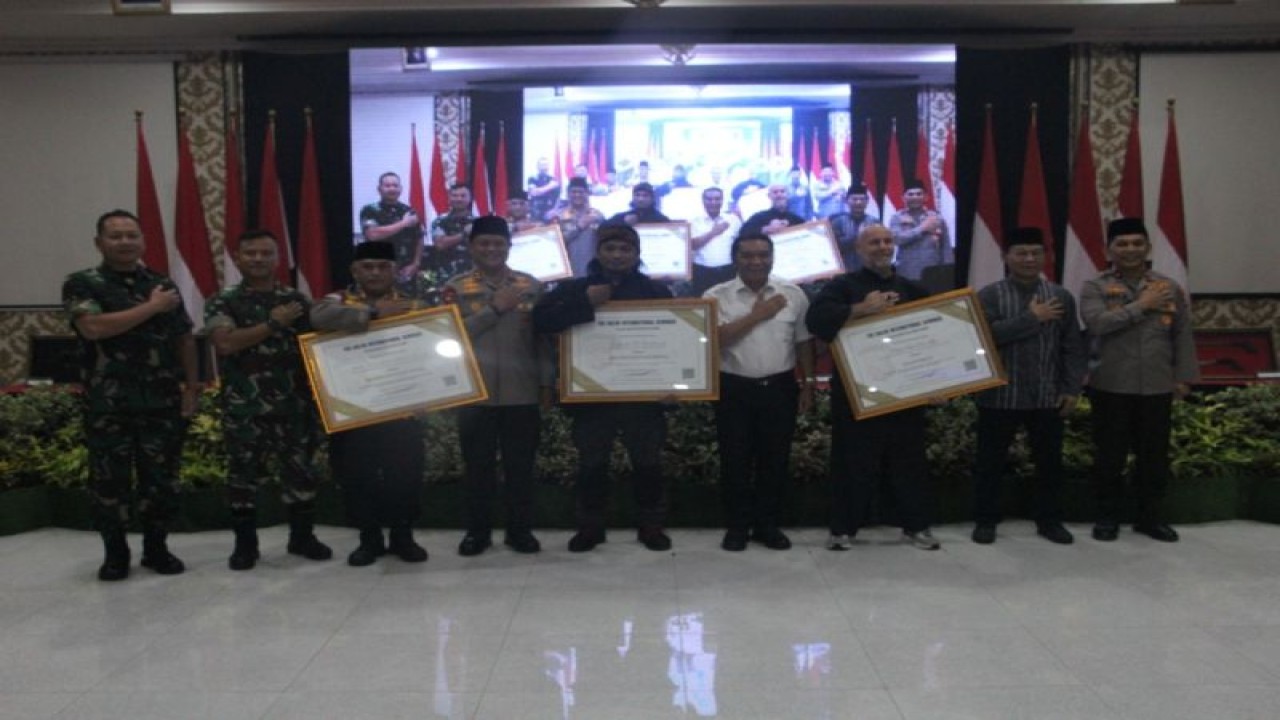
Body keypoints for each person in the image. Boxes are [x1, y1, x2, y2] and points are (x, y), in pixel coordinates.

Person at [63, 209, 200, 581]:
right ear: (99, 243)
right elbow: (92, 327)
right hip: (109, 403)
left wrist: (192, 386)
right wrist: (151, 307)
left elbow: (184, 338)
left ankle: (157, 548)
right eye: (115, 236)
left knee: (162, 479)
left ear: (143, 241)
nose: (125, 242)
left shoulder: (162, 283)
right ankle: (116, 553)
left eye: (131, 235)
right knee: (110, 481)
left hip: (161, 400)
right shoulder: (83, 283)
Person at [533, 223, 675, 553]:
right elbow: (541, 320)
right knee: (592, 465)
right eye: (610, 248)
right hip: (592, 396)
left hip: (644, 398)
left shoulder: (656, 291)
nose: (617, 255)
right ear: (598, 252)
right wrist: (585, 303)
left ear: (637, 254)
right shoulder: (576, 288)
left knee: (648, 464)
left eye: (625, 249)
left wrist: (673, 388)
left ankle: (651, 526)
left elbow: (673, 341)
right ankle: (590, 527)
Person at [805, 225, 941, 551]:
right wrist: (860, 309)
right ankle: (842, 529)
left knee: (909, 461)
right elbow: (816, 321)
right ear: (859, 249)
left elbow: (935, 338)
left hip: (906, 390)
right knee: (852, 461)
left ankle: (916, 526)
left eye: (887, 241)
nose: (882, 247)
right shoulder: (841, 287)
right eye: (874, 242)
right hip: (856, 391)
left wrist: (937, 382)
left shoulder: (913, 289)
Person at [205, 229, 332, 570]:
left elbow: (318, 345)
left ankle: (302, 538)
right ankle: (246, 546)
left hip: (294, 406)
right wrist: (273, 324)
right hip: (245, 409)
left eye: (266, 253)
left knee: (300, 473)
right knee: (243, 478)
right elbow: (225, 343)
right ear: (237, 258)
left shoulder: (296, 300)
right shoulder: (223, 301)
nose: (258, 259)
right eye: (251, 253)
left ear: (278, 258)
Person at [311, 241, 431, 565]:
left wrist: (430, 390)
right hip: (355, 408)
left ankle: (403, 537)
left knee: (404, 475)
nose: (375, 273)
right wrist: (374, 314)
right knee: (357, 476)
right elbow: (317, 317)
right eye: (367, 266)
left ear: (395, 270)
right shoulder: (338, 301)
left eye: (383, 266)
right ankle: (369, 539)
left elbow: (430, 349)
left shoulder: (413, 304)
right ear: (354, 270)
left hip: (401, 406)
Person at [1080, 217, 1198, 543]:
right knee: (1110, 456)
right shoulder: (1095, 287)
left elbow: (1182, 335)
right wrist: (1142, 306)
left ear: (1148, 248)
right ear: (1109, 250)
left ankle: (1150, 518)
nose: (1130, 250)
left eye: (1137, 243)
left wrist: (1184, 376)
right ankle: (1107, 517)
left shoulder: (1168, 287)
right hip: (1111, 384)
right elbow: (1097, 324)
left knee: (1153, 457)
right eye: (1122, 244)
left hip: (1157, 385)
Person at [443, 216, 554, 556]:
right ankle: (477, 533)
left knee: (520, 468)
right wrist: (493, 309)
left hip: (522, 393)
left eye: (498, 243)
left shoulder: (531, 285)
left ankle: (519, 532)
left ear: (508, 246)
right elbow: (449, 336)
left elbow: (542, 340)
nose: (491, 249)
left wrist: (546, 383)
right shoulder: (455, 288)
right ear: (471, 247)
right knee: (478, 469)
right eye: (484, 243)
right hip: (475, 393)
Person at [970, 227, 1086, 545]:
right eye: (1021, 253)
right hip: (999, 395)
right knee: (990, 464)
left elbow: (1072, 347)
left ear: (1045, 256)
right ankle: (985, 520)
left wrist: (1072, 388)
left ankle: (1050, 521)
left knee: (1049, 464)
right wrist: (1032, 318)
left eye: (1036, 252)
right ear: (1005, 257)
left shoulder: (1060, 296)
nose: (1029, 259)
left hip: (1047, 396)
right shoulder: (990, 295)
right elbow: (983, 337)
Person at [704, 233, 815, 551]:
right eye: (748, 255)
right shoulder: (715, 296)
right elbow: (715, 340)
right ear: (735, 258)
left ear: (772, 257)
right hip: (733, 389)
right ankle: (737, 527)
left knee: (775, 460)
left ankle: (768, 525)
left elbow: (803, 342)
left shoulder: (792, 294)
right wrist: (758, 315)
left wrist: (807, 384)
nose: (756, 261)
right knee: (735, 460)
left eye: (763, 255)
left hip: (779, 388)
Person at [358, 171, 423, 295]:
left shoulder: (409, 211)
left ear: (400, 189)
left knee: (407, 304)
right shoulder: (369, 210)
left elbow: (419, 238)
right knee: (380, 304)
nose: (392, 189)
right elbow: (372, 235)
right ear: (379, 189)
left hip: (405, 272)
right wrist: (404, 223)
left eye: (395, 185)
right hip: (378, 271)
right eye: (387, 186)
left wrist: (415, 264)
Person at [888, 178, 953, 281]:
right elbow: (897, 239)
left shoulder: (936, 218)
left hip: (932, 270)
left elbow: (946, 247)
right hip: (906, 272)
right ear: (903, 198)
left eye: (919, 194)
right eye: (911, 194)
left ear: (926, 197)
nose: (915, 197)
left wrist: (948, 269)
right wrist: (922, 228)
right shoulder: (897, 218)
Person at [689, 187, 741, 296]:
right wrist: (714, 232)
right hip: (702, 272)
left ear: (722, 200)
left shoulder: (734, 220)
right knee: (704, 302)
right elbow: (692, 245)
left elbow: (740, 245)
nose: (713, 202)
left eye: (717, 199)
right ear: (703, 201)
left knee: (729, 302)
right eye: (709, 199)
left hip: (728, 271)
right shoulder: (693, 221)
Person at [425, 184, 475, 294]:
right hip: (447, 276)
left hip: (473, 275)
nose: (459, 199)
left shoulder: (479, 222)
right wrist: (464, 234)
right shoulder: (440, 221)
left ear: (470, 198)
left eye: (463, 196)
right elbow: (440, 244)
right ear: (449, 198)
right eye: (455, 196)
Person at [555, 177, 606, 277]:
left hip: (594, 270)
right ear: (568, 194)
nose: (577, 195)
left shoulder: (598, 215)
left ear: (587, 193)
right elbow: (556, 244)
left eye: (581, 192)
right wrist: (578, 227)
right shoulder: (559, 216)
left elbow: (605, 241)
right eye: (574, 192)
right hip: (569, 271)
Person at [827, 183, 880, 274]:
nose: (858, 202)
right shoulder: (837, 222)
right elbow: (834, 247)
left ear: (867, 201)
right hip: (843, 270)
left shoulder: (874, 222)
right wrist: (859, 236)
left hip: (868, 270)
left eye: (862, 199)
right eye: (854, 199)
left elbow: (878, 247)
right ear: (847, 200)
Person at [740, 183, 807, 238]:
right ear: (769, 196)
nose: (779, 195)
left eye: (782, 191)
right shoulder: (759, 217)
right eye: (775, 192)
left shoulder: (795, 218)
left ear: (787, 195)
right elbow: (743, 233)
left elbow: (809, 229)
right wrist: (766, 229)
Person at [526, 157, 560, 222]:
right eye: (541, 165)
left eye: (545, 165)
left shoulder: (553, 179)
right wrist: (550, 186)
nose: (543, 167)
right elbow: (534, 193)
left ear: (548, 166)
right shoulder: (532, 178)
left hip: (550, 213)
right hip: (535, 211)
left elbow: (557, 198)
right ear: (537, 166)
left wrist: (554, 210)